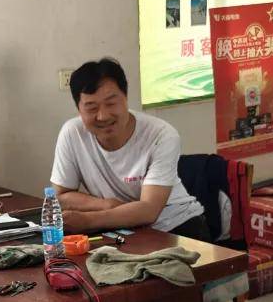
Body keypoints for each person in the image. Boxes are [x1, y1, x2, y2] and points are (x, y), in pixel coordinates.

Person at [50, 58, 209, 240]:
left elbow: (149, 210)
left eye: (111, 104)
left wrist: (87, 220)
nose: (103, 116)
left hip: (175, 226)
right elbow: (61, 196)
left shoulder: (161, 135)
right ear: (79, 109)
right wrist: (106, 205)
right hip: (117, 229)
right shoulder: (72, 133)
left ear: (126, 98)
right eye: (91, 108)